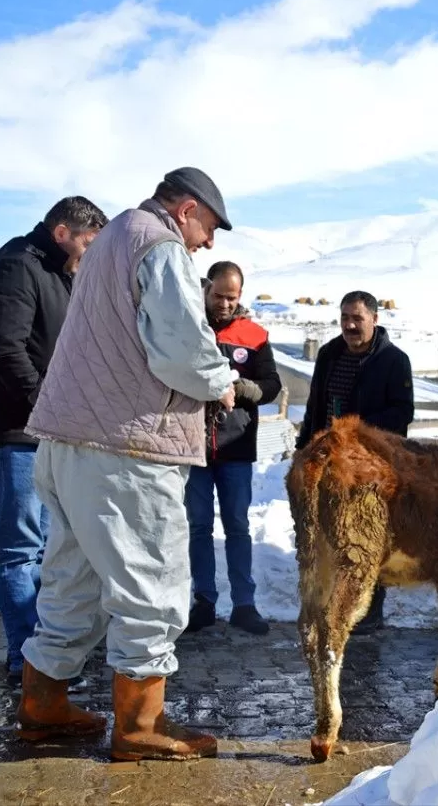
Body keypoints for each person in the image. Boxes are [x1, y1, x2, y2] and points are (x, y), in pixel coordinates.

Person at [16, 167, 239, 761]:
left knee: (72, 581)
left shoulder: (113, 236)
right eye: (209, 227)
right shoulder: (159, 244)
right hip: (125, 450)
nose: (209, 244)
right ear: (187, 209)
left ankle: (43, 706)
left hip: (68, 440)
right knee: (151, 585)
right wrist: (222, 383)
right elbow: (181, 349)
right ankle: (141, 727)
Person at [0, 196, 108, 691]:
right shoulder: (17, 266)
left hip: (47, 433)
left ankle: (47, 657)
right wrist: (48, 409)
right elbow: (8, 351)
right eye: (90, 242)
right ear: (64, 231)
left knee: (50, 550)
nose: (92, 254)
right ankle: (26, 658)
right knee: (21, 549)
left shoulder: (64, 273)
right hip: (12, 435)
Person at [296, 290, 414, 632]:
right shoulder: (330, 354)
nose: (349, 325)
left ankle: (369, 609)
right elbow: (316, 406)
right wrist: (306, 448)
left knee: (368, 536)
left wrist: (355, 431)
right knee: (335, 533)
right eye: (345, 317)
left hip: (373, 464)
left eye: (357, 318)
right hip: (331, 461)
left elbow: (402, 412)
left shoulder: (394, 361)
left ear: (374, 320)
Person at [184, 260, 282, 637]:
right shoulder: (190, 327)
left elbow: (272, 384)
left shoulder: (255, 334)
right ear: (207, 289)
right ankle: (204, 601)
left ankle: (244, 604)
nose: (224, 303)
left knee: (238, 527)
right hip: (194, 446)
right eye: (218, 295)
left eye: (232, 297)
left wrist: (244, 390)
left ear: (240, 296)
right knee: (198, 527)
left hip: (236, 447)